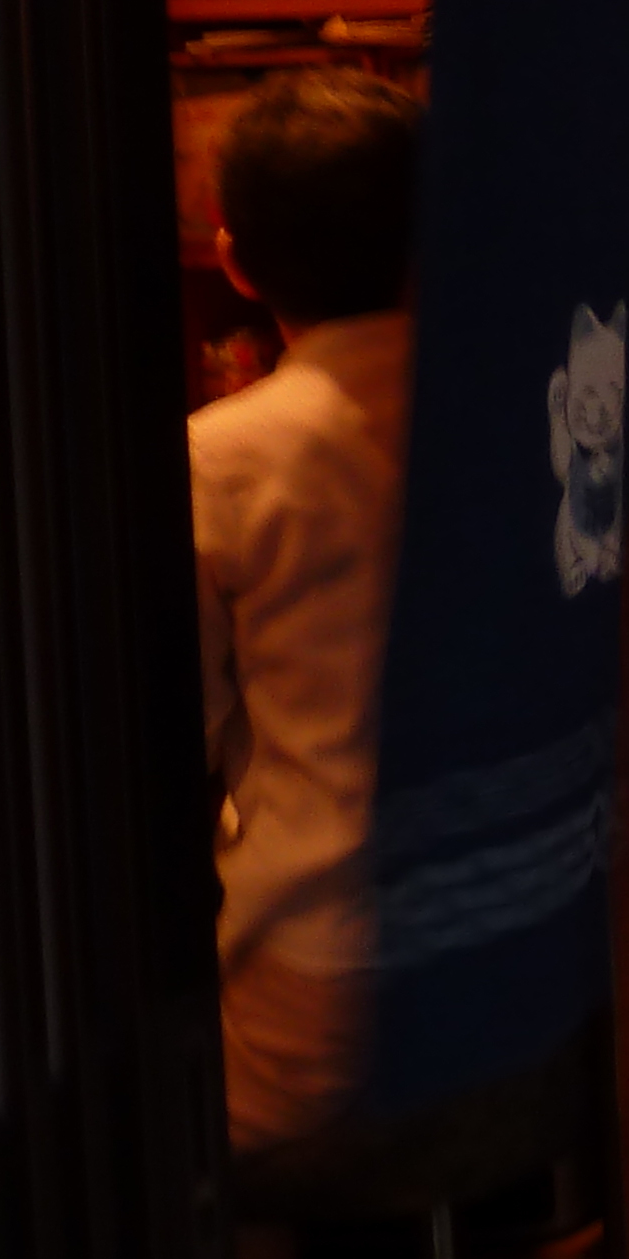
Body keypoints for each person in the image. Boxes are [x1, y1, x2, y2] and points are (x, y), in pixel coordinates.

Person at [193, 68, 423, 1152]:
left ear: (231, 258)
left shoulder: (222, 459)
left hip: (322, 982)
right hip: (526, 944)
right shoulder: (546, 412)